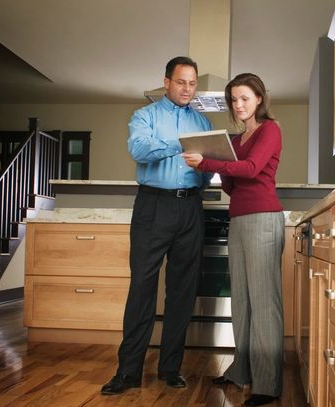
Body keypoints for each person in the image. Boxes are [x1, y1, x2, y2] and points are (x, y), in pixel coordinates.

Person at [101, 56, 212, 395]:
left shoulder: (204, 122)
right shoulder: (144, 116)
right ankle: (129, 371)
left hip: (191, 206)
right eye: (181, 82)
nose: (187, 89)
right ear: (166, 82)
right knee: (142, 289)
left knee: (182, 291)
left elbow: (207, 168)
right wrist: (180, 142)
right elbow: (139, 149)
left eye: (192, 83)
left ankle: (170, 369)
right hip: (153, 206)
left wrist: (203, 172)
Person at [182, 73, 284, 407]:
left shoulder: (270, 130)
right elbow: (231, 186)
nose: (238, 105)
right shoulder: (237, 140)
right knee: (241, 299)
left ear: (258, 98)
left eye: (244, 98)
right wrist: (218, 167)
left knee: (264, 302)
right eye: (233, 100)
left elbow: (253, 169)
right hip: (238, 220)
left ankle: (267, 384)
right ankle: (242, 371)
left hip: (263, 219)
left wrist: (210, 163)